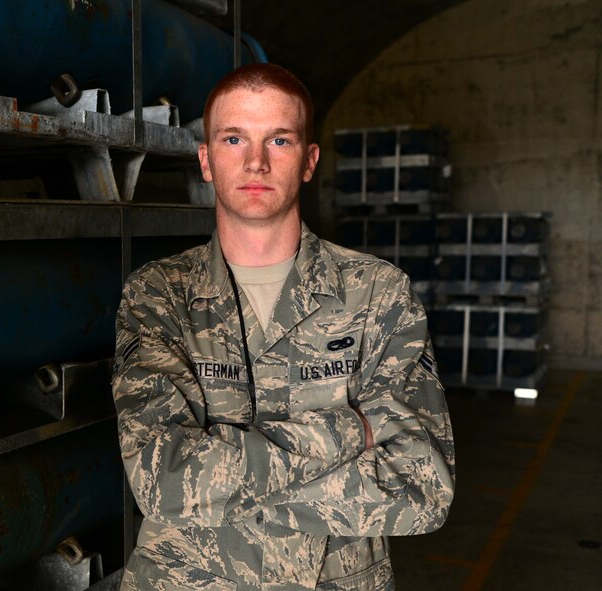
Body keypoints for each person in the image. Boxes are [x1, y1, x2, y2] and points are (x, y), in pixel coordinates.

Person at [111, 63, 455, 590]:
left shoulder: (376, 293)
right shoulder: (159, 295)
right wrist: (354, 428)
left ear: (309, 160)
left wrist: (229, 488)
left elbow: (422, 488)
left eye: (279, 139)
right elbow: (162, 483)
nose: (255, 161)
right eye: (233, 139)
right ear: (206, 160)